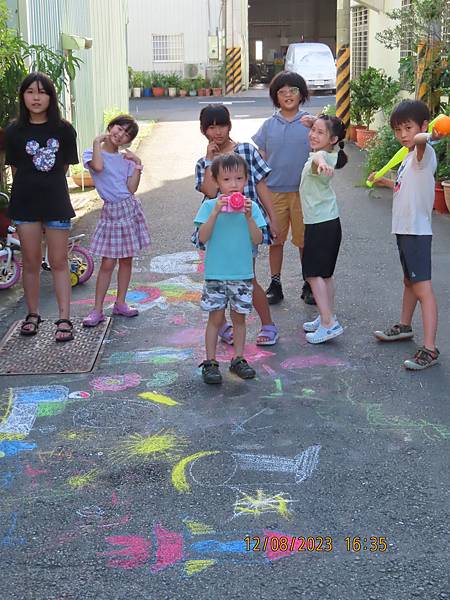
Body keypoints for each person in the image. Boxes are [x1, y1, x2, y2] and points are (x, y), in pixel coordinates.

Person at [194, 104, 280, 346]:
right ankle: (222, 327)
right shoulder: (204, 162)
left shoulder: (246, 151)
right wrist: (210, 161)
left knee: (247, 277)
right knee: (216, 279)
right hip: (218, 230)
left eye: (221, 125)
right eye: (210, 127)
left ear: (229, 125)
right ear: (204, 131)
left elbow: (262, 185)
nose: (217, 132)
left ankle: (268, 324)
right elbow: (210, 192)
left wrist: (273, 218)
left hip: (245, 225)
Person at [369, 100, 445, 370]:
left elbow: (423, 141)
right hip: (404, 230)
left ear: (423, 126)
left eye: (408, 128)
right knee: (409, 281)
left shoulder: (425, 153)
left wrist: (429, 135)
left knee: (423, 288)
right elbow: (405, 187)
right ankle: (404, 325)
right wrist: (384, 181)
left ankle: (430, 349)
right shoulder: (410, 157)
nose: (402, 134)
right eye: (398, 129)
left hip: (417, 233)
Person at [4, 72, 79, 342]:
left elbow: (64, 167)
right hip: (24, 204)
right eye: (30, 92)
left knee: (59, 262)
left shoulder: (64, 129)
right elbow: (16, 168)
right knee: (32, 262)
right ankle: (33, 315)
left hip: (56, 202)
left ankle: (64, 318)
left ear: (51, 97)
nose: (36, 97)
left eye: (42, 92)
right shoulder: (13, 131)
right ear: (22, 96)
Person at [195, 154, 267, 384]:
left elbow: (257, 240)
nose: (233, 184)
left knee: (239, 319)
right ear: (216, 181)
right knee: (215, 318)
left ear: (246, 180)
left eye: (239, 178)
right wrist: (215, 211)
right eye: (227, 179)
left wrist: (248, 217)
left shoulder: (251, 207)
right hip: (216, 274)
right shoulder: (208, 206)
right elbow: (203, 238)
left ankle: (238, 358)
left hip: (242, 275)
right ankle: (210, 362)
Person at [252, 70, 316, 306]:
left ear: (302, 95)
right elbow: (261, 157)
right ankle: (275, 283)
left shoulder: (310, 122)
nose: (288, 95)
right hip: (274, 192)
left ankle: (308, 283)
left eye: (293, 90)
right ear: (275, 97)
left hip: (304, 193)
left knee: (303, 241)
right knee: (275, 240)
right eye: (282, 91)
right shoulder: (269, 125)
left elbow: (323, 149)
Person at [82, 114, 150, 327]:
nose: (120, 135)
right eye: (119, 128)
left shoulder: (126, 160)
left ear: (128, 141)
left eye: (126, 135)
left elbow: (131, 188)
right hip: (111, 212)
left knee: (127, 259)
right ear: (110, 126)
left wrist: (138, 164)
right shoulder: (92, 153)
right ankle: (97, 309)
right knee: (107, 263)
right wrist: (97, 141)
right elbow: (99, 168)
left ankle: (121, 303)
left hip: (129, 209)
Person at [300, 114, 348, 344]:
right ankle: (326, 316)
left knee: (312, 273)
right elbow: (322, 147)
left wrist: (318, 162)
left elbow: (318, 155)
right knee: (325, 274)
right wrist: (315, 123)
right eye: (313, 130)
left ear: (333, 138)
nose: (313, 135)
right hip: (330, 222)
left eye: (320, 132)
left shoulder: (321, 159)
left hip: (319, 224)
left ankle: (328, 323)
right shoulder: (334, 153)